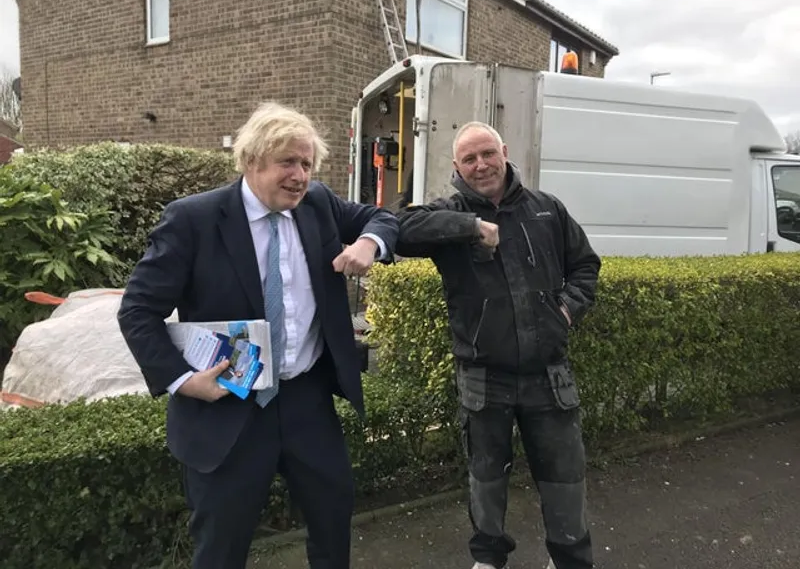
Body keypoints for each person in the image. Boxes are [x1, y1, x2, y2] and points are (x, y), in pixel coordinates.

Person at [117, 101, 399, 569]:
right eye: (288, 161)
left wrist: (369, 242)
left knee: (333, 522)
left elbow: (384, 218)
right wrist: (184, 381)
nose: (300, 175)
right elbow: (138, 311)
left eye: (307, 163)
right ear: (252, 160)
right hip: (229, 406)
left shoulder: (319, 205)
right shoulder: (193, 220)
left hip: (307, 401)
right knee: (222, 546)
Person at [395, 121, 601, 569]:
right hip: (483, 375)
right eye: (469, 159)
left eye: (487, 153)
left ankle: (569, 558)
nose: (481, 164)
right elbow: (401, 227)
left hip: (550, 375)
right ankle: (489, 559)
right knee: (486, 478)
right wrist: (471, 226)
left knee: (565, 478)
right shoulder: (447, 216)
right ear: (456, 167)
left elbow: (585, 266)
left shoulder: (547, 210)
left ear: (504, 151)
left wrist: (565, 311)